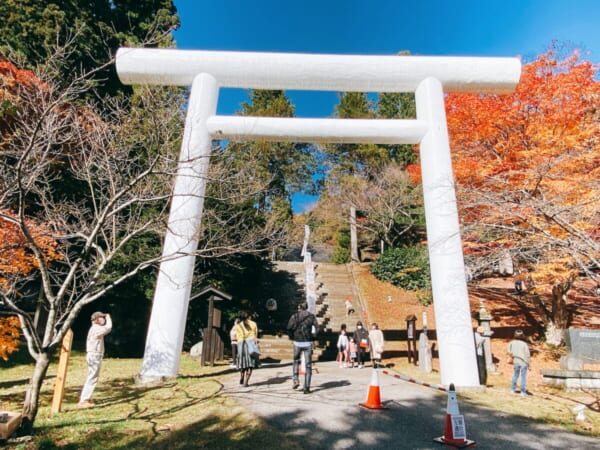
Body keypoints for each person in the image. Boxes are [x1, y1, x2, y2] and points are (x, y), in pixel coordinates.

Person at [79, 311, 112, 407]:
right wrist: (109, 318)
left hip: (93, 355)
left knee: (92, 377)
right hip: (94, 356)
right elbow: (108, 328)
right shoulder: (96, 328)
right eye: (102, 317)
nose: (103, 319)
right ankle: (83, 400)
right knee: (92, 378)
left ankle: (85, 398)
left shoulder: (94, 328)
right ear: (97, 319)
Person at [287, 302, 318, 394]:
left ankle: (295, 379)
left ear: (300, 307)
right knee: (308, 365)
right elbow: (317, 327)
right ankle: (306, 387)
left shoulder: (295, 316)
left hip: (297, 342)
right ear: (307, 307)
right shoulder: (311, 316)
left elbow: (288, 327)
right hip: (307, 342)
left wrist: (291, 336)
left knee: (296, 361)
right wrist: (313, 336)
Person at [235, 311, 259, 387]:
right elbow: (255, 336)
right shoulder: (253, 324)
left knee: (242, 363)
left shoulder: (238, 325)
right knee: (250, 364)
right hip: (250, 344)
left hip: (241, 345)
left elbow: (237, 337)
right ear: (249, 316)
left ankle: (242, 376)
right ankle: (246, 381)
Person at [507, 329, 531, 396]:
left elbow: (509, 352)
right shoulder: (524, 344)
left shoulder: (511, 343)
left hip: (516, 361)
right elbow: (527, 355)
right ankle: (523, 392)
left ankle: (512, 390)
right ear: (522, 336)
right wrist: (529, 364)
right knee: (523, 377)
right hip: (523, 362)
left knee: (515, 375)